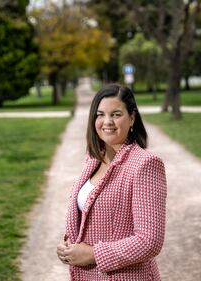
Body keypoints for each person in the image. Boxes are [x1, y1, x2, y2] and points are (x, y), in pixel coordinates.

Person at [56, 83, 167, 280]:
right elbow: (88, 216)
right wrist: (69, 247)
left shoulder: (145, 164)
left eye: (116, 114)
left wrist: (92, 255)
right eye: (100, 114)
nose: (107, 122)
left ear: (132, 118)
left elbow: (150, 241)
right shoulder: (93, 159)